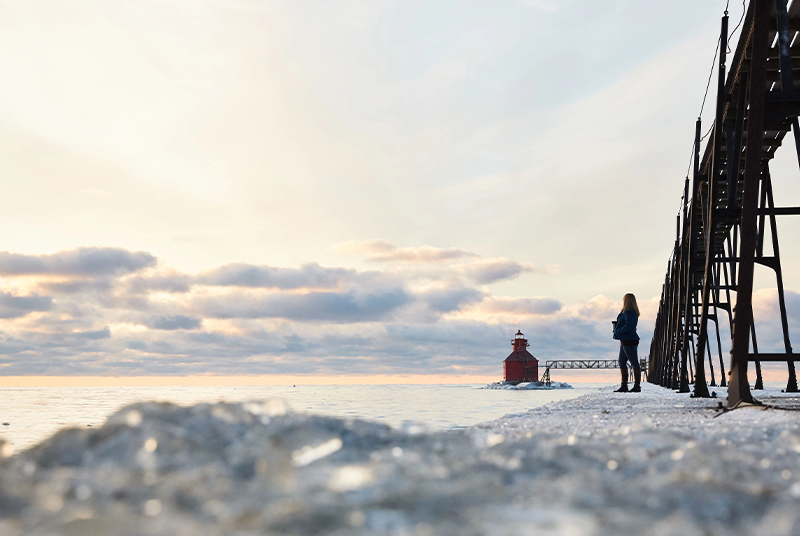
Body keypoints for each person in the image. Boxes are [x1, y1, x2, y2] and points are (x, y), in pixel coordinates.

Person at [613, 293, 641, 393]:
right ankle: (624, 385)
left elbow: (629, 326)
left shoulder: (628, 312)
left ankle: (637, 386)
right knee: (621, 362)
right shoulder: (629, 312)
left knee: (634, 363)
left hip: (629, 340)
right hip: (625, 340)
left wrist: (618, 331)